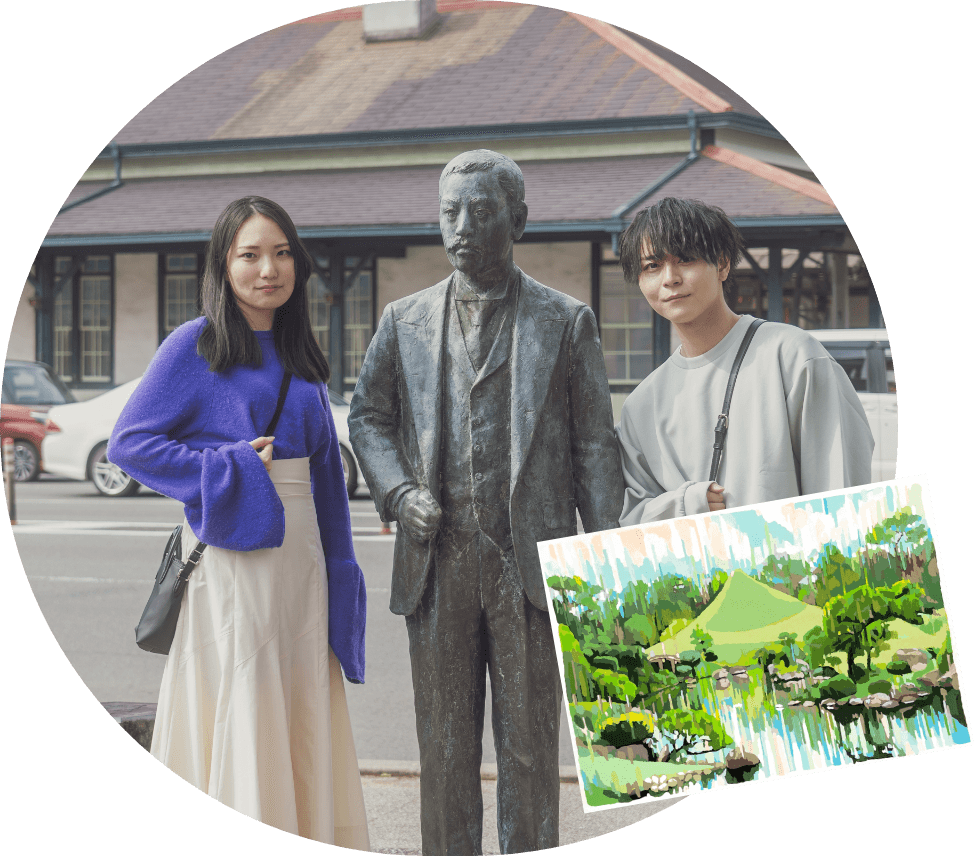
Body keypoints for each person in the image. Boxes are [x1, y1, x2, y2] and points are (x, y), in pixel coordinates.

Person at [348, 150, 623, 855]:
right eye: (450, 212)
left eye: (481, 211)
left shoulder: (566, 321)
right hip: (438, 562)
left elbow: (595, 446)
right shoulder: (404, 319)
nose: (462, 227)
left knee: (529, 749)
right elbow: (368, 417)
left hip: (528, 564)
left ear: (518, 220)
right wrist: (399, 491)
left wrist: (605, 561)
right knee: (442, 747)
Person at [108, 196, 370, 847]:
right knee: (245, 701)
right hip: (235, 560)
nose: (268, 269)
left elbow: (327, 481)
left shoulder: (301, 353)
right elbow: (129, 444)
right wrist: (227, 465)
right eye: (250, 254)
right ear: (223, 265)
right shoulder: (194, 345)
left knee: (298, 707)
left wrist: (343, 573)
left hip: (302, 566)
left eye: (281, 253)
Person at [615, 196, 875, 526]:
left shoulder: (791, 357)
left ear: (722, 264)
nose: (670, 278)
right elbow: (631, 520)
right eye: (652, 266)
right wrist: (687, 504)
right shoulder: (641, 406)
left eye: (686, 259)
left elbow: (843, 491)